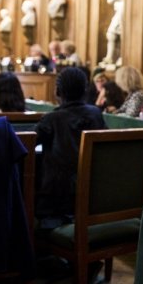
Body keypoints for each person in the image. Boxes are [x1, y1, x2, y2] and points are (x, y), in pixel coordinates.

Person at [34, 68, 107, 228]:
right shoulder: (95, 114)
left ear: (57, 91)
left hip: (57, 206)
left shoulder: (51, 119)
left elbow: (26, 143)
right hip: (93, 200)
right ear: (85, 91)